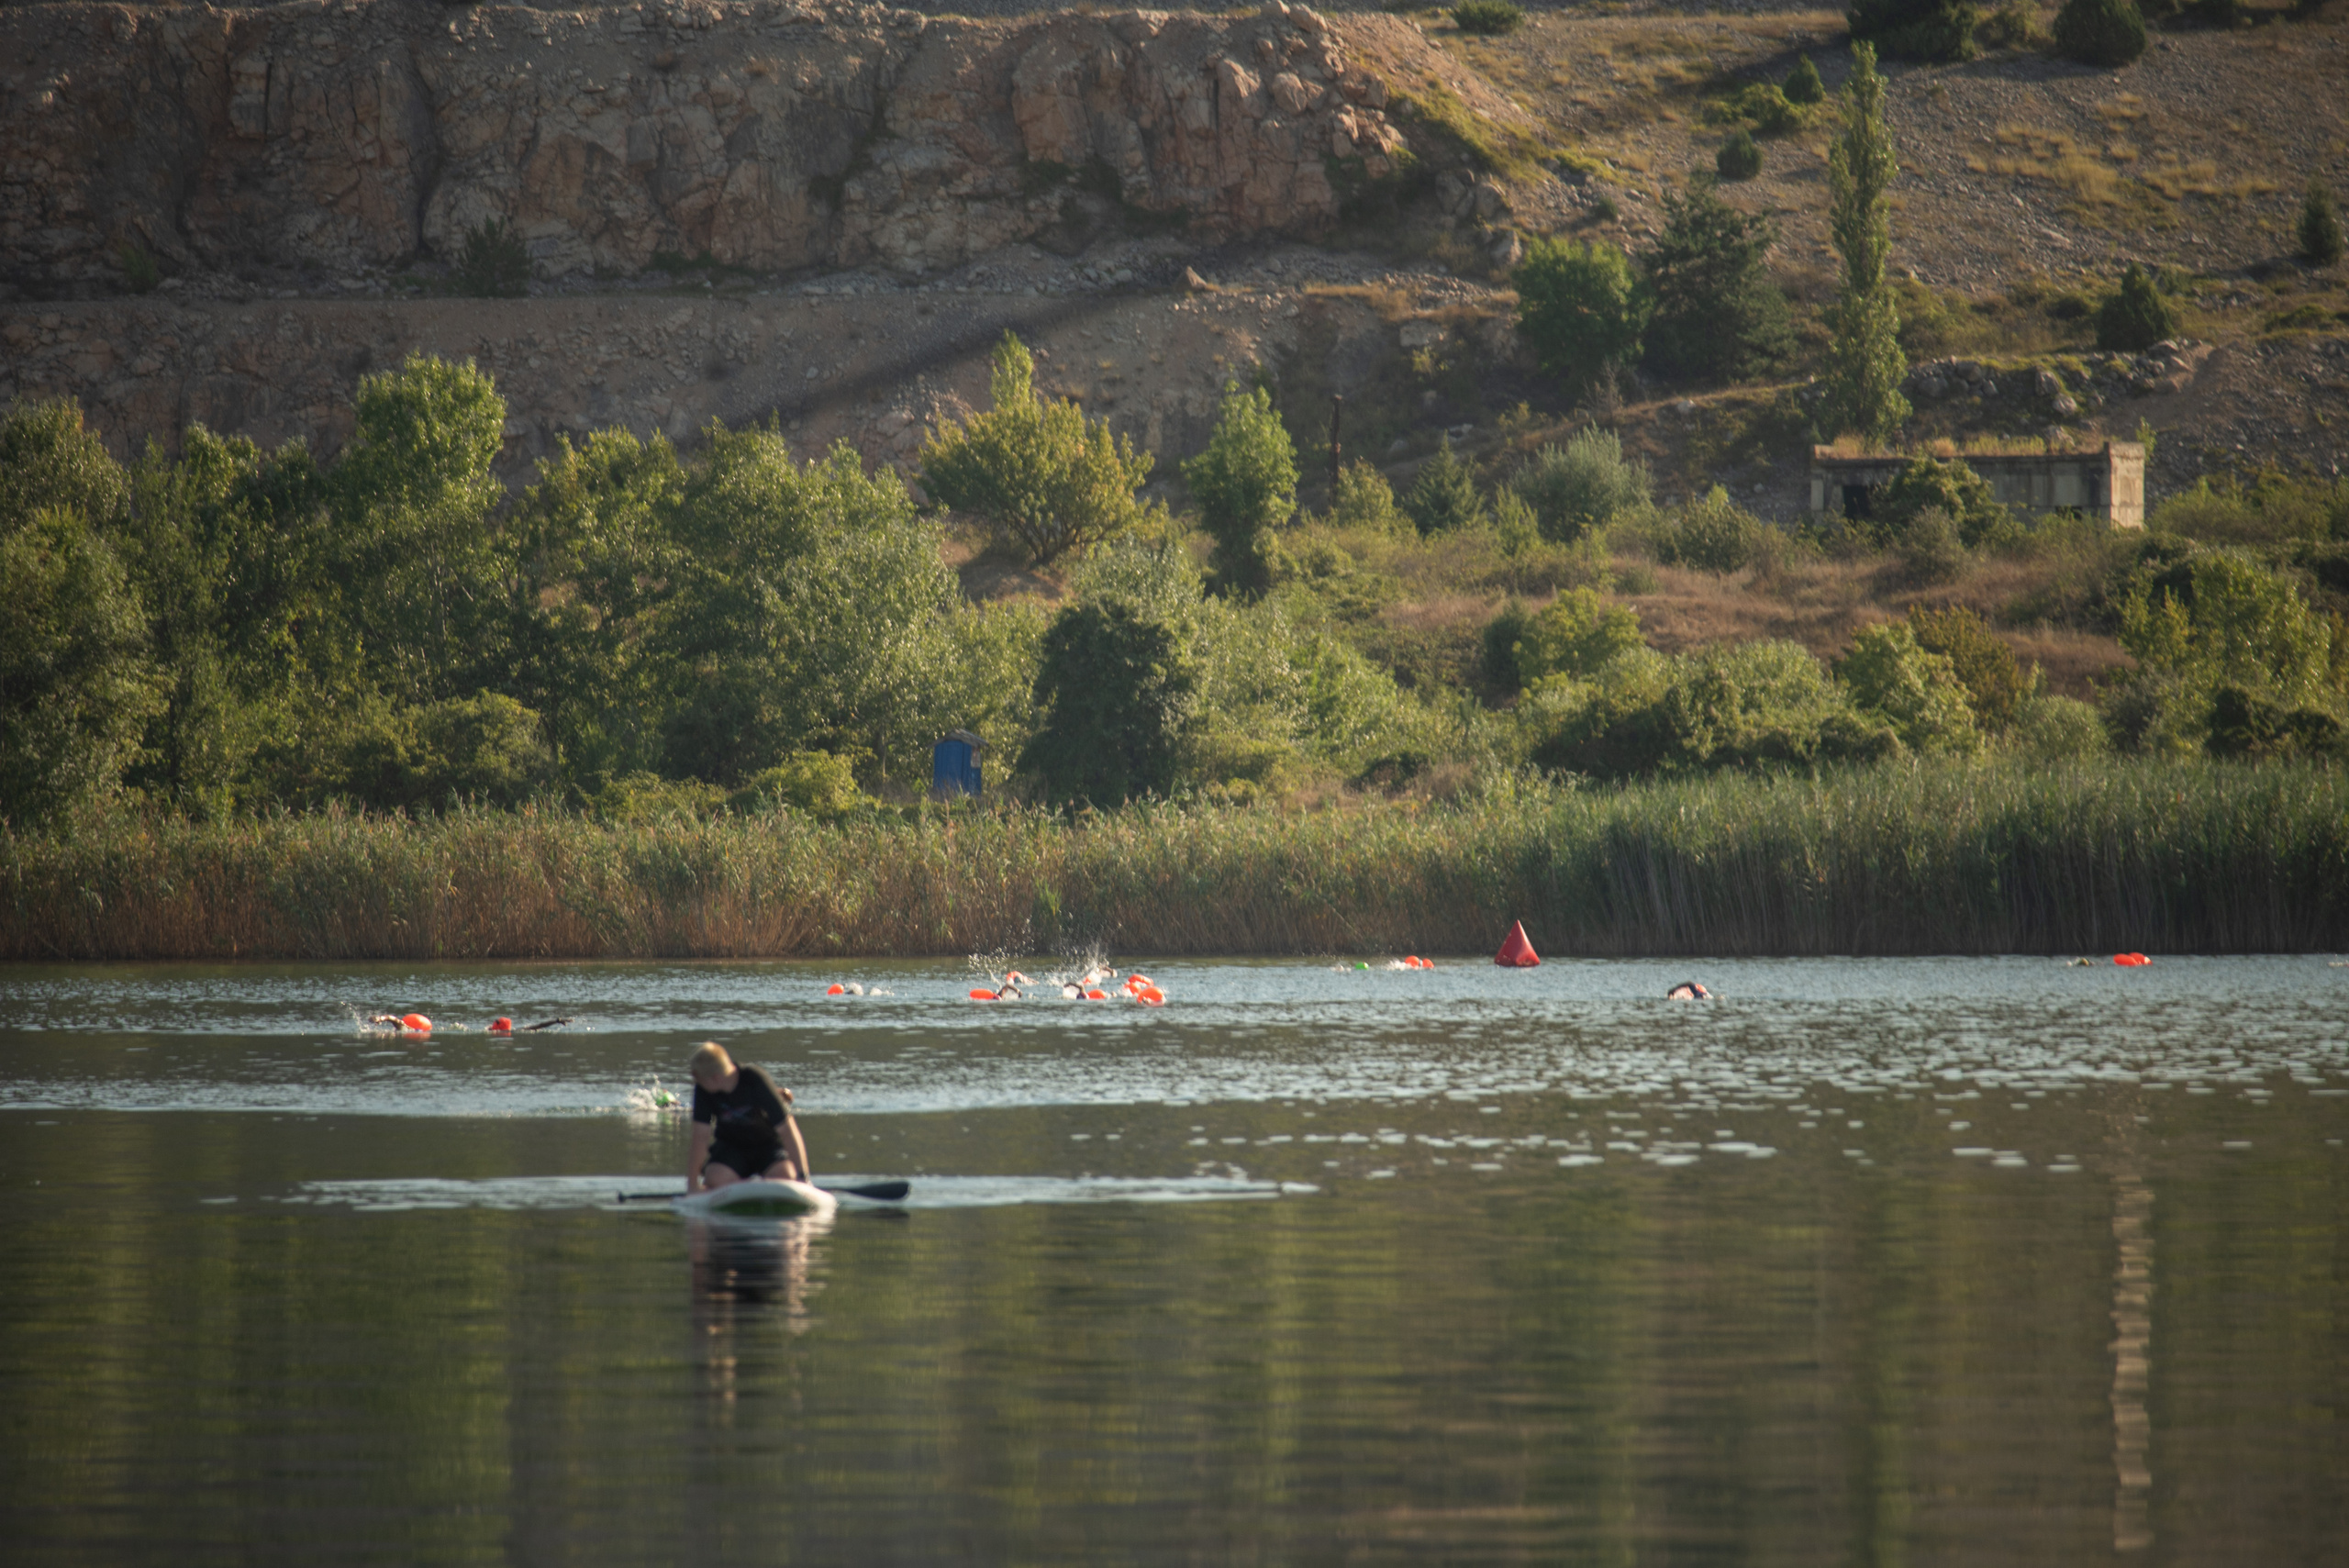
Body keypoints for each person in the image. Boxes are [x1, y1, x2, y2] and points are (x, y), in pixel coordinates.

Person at [685, 1041, 811, 1193]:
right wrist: (692, 1185)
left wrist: (803, 1177)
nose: (697, 1083)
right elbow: (700, 1137)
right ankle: (739, 1187)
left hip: (766, 1145)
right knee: (715, 1179)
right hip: (731, 1147)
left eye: (698, 1078)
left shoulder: (754, 1079)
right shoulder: (703, 1089)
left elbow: (787, 1129)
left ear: (715, 1078)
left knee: (786, 1176)